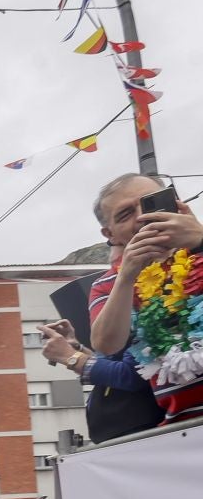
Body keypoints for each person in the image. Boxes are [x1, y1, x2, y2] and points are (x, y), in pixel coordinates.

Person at [87, 171, 203, 421]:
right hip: (182, 427)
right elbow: (106, 344)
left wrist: (200, 241)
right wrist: (126, 276)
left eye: (151, 202)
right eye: (126, 214)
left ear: (175, 202)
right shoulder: (108, 284)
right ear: (110, 234)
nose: (143, 217)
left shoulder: (200, 244)